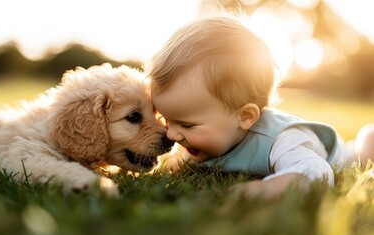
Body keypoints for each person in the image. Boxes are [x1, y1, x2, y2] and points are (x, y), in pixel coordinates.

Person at [147, 15, 374, 200]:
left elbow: (317, 173)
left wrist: (261, 190)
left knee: (368, 141)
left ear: (245, 116)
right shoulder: (209, 137)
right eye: (167, 119)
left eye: (187, 124)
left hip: (347, 156)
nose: (172, 134)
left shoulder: (278, 141)